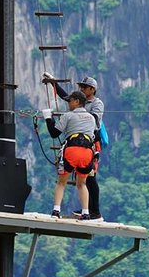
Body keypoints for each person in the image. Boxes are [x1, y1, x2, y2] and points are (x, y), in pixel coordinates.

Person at [41, 72, 105, 220]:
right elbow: (66, 97)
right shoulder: (77, 103)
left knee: (90, 178)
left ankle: (95, 211)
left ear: (92, 89)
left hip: (89, 141)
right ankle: (86, 210)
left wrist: (77, 117)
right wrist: (53, 83)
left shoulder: (96, 104)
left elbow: (95, 122)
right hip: (84, 145)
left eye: (84, 87)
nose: (82, 89)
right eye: (81, 87)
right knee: (83, 180)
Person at [44, 90, 96, 218]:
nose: (68, 103)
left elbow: (54, 133)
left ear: (77, 102)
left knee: (61, 183)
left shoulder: (68, 116)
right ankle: (86, 213)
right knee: (82, 184)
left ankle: (56, 211)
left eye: (70, 101)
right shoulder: (92, 118)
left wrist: (48, 118)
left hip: (72, 151)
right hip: (87, 153)